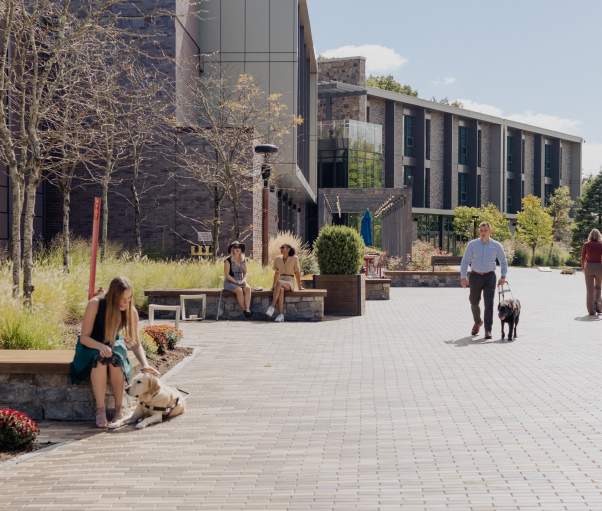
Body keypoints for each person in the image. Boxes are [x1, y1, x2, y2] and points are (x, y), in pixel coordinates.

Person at [70, 277, 159, 428]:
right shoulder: (95, 304)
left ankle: (119, 409)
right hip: (90, 345)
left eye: (129, 298)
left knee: (115, 359)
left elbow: (136, 343)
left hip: (111, 345)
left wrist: (145, 364)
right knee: (100, 360)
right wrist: (100, 346)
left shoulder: (131, 311)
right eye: (122, 299)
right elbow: (84, 338)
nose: (126, 303)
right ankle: (100, 410)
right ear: (112, 296)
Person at [460, 221, 508, 339]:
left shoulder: (496, 245)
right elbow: (465, 261)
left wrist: (503, 276)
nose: (483, 233)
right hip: (475, 276)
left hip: (489, 277)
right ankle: (478, 322)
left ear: (490, 231)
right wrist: (463, 277)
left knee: (489, 304)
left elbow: (503, 261)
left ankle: (488, 330)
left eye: (485, 230)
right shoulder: (472, 244)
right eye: (481, 231)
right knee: (473, 302)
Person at [266, 243, 303, 322]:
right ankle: (281, 315)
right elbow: (276, 273)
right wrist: (273, 286)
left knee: (279, 283)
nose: (281, 249)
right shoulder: (277, 259)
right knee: (281, 290)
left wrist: (299, 286)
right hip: (281, 279)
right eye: (281, 247)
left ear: (288, 249)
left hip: (290, 281)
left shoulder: (294, 258)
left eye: (283, 247)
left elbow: (297, 273)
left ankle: (272, 306)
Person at [224, 241, 252, 318]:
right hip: (230, 281)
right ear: (232, 249)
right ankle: (245, 311)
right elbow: (227, 275)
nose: (236, 249)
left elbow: (246, 273)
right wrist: (236, 282)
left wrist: (243, 280)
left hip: (240, 280)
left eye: (238, 247)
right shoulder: (228, 260)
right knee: (239, 290)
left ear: (240, 249)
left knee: (248, 288)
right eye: (234, 247)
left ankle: (247, 309)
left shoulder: (243, 260)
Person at [580, 228, 602, 316]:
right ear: (599, 235)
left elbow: (582, 258)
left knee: (589, 290)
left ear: (590, 235)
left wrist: (583, 268)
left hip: (588, 267)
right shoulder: (601, 245)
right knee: (598, 287)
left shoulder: (586, 244)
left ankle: (591, 311)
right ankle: (599, 308)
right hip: (599, 267)